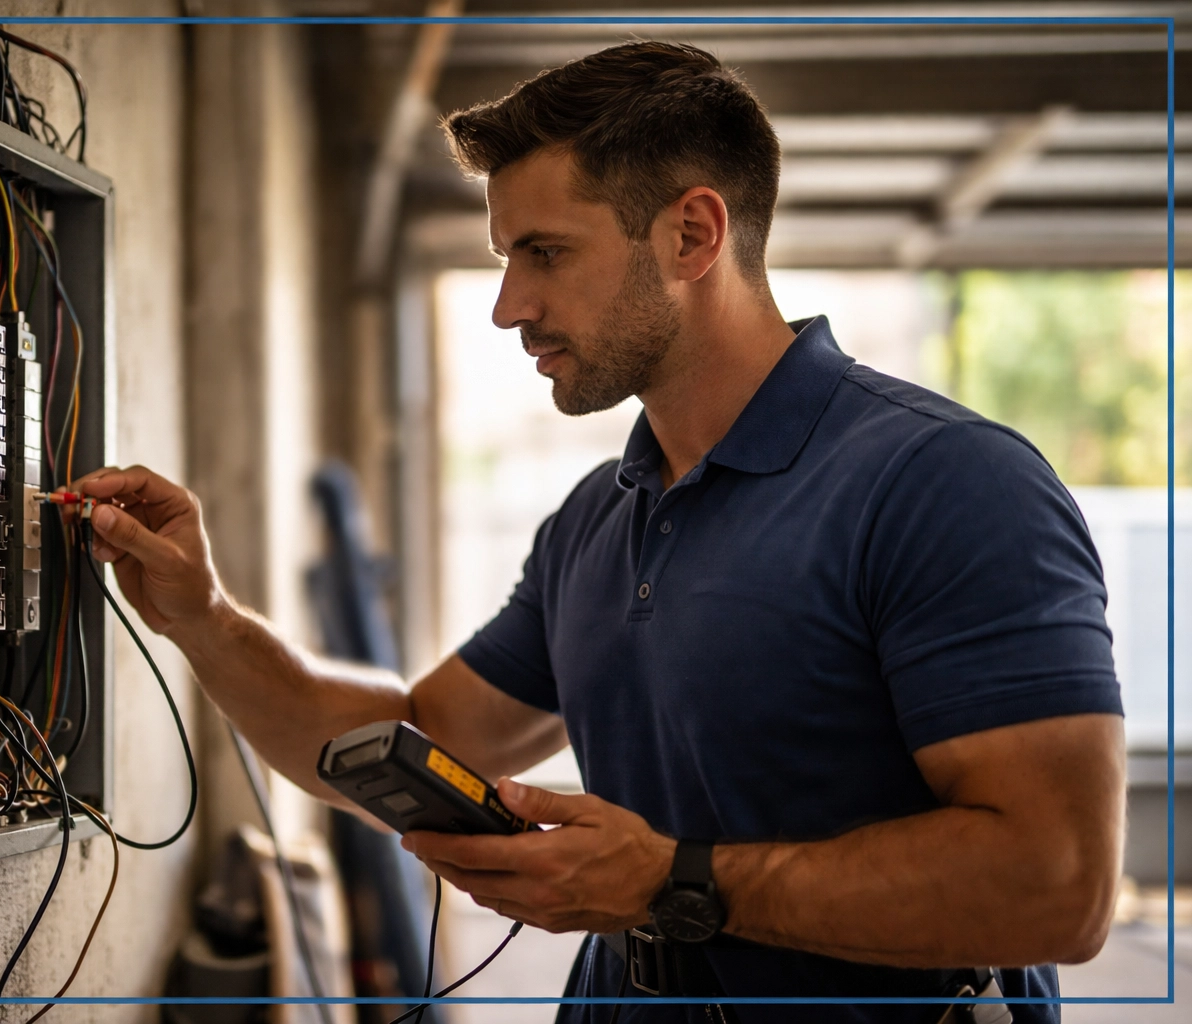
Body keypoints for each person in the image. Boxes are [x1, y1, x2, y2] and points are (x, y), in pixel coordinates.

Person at [73, 41, 1124, 1024]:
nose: (507, 305)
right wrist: (203, 617)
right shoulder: (597, 518)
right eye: (502, 255)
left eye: (544, 251)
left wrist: (674, 881)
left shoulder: (942, 482)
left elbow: (1058, 884)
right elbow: (413, 734)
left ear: (692, 235)